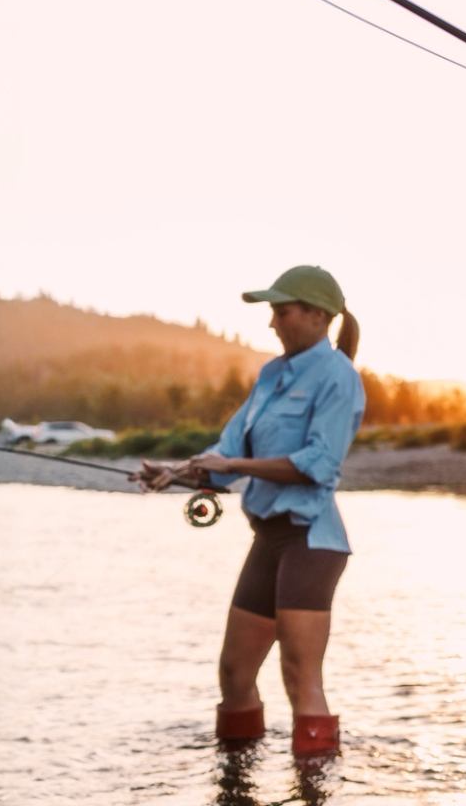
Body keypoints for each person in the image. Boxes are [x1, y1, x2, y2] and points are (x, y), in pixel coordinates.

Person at [136, 264, 367, 760]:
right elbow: (226, 453)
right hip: (268, 538)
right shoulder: (271, 374)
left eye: (281, 312)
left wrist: (235, 464)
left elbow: (318, 467)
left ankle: (315, 786)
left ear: (317, 315)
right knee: (234, 672)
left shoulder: (339, 377)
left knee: (299, 676)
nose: (272, 323)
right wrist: (174, 472)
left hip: (311, 541)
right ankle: (236, 783)